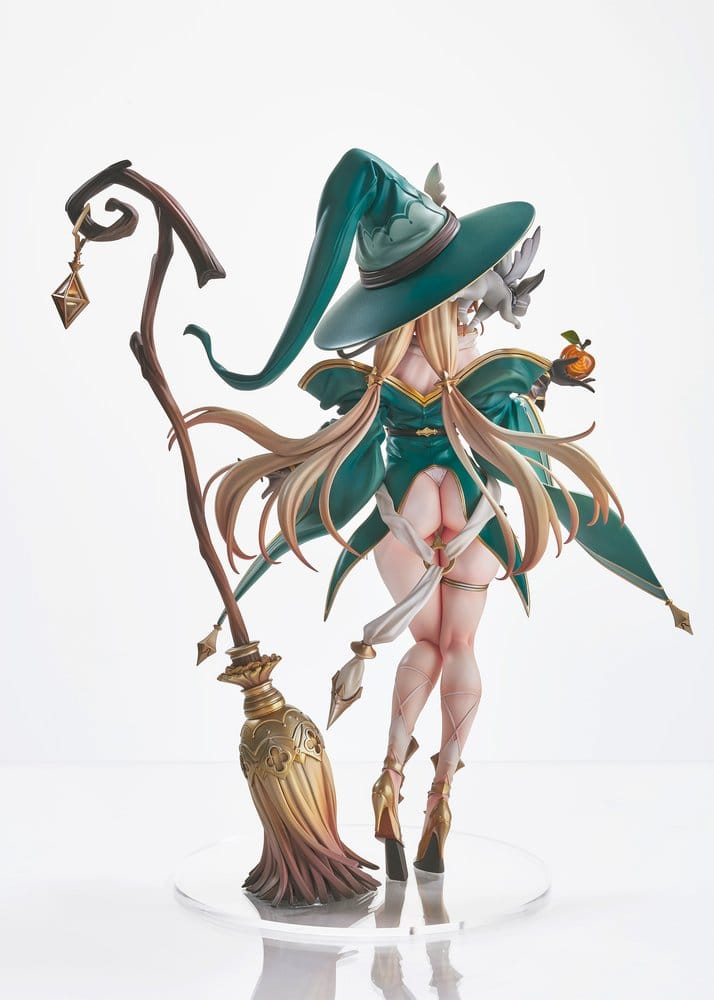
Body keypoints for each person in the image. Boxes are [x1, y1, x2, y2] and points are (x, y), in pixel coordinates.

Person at [184, 149, 691, 881]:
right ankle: (441, 791)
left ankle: (390, 778)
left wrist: (295, 474)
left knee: (425, 643)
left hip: (406, 503)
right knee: (459, 645)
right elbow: (506, 398)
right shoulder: (469, 340)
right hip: (469, 499)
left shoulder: (386, 364)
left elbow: (344, 433)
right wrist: (541, 379)